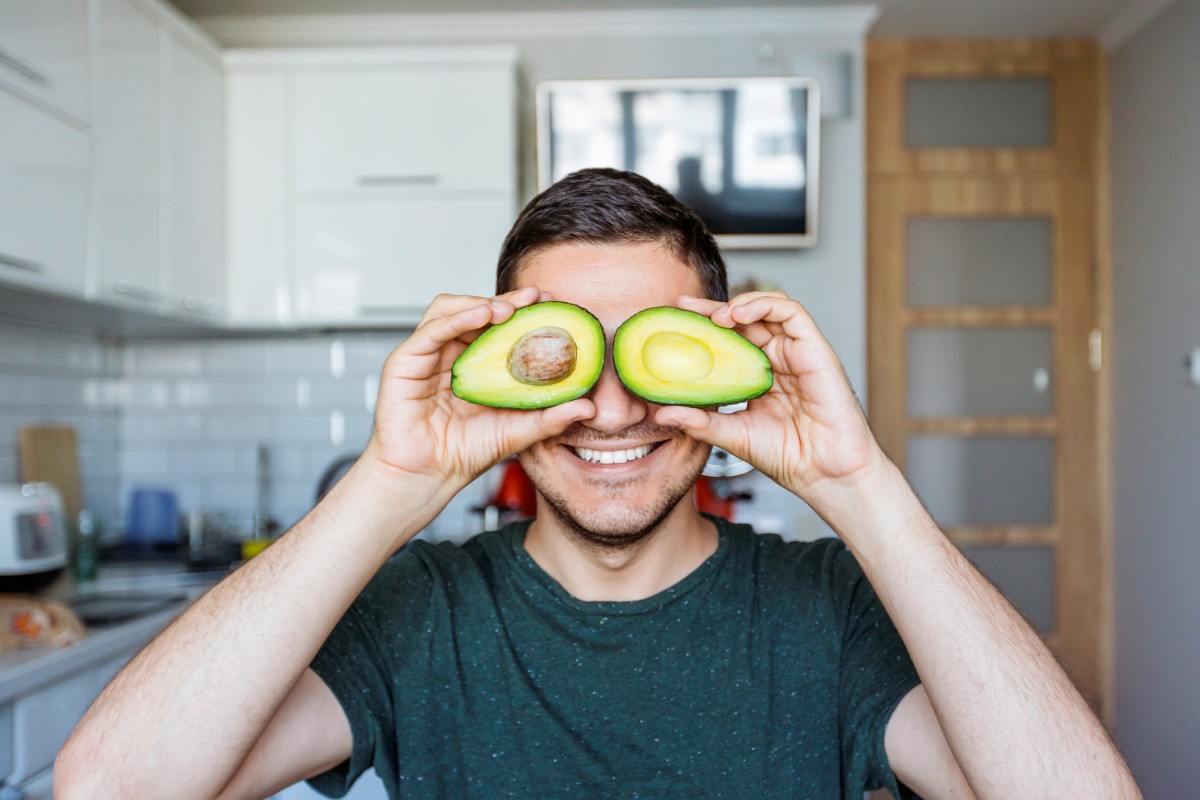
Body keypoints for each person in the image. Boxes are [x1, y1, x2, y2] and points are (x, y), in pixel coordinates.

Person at [55, 169, 1140, 800]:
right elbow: (104, 788)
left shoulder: (832, 606)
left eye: (652, 360)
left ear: (719, 373)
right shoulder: (416, 609)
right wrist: (392, 480)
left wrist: (859, 482)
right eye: (567, 362)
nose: (612, 411)